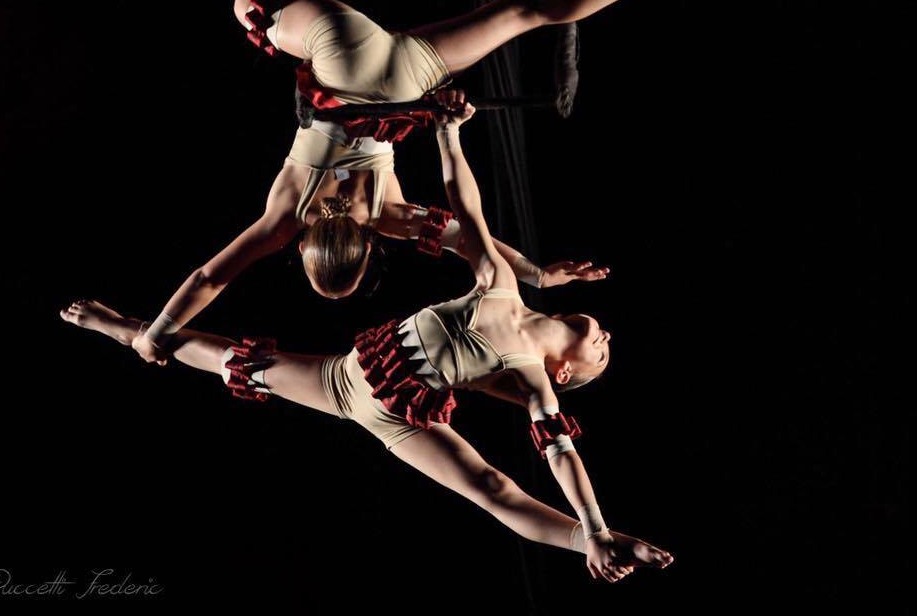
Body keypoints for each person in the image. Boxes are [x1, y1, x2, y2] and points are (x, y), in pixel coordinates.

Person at [61, 94, 674, 583]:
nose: (607, 335)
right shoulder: (502, 285)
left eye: (603, 352)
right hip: (352, 378)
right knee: (238, 363)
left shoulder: (535, 380)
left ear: (564, 371)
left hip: (400, 419)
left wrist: (593, 528)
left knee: (492, 490)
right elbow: (469, 210)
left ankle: (586, 542)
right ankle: (131, 330)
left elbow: (561, 454)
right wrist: (448, 133)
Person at [129, 0, 720, 362]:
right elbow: (211, 276)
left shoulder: (390, 219)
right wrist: (157, 329)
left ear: (365, 253)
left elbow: (473, 237)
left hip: (408, 81)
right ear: (308, 249)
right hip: (343, 61)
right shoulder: (285, 218)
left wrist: (539, 274)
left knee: (526, 10)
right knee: (250, 4)